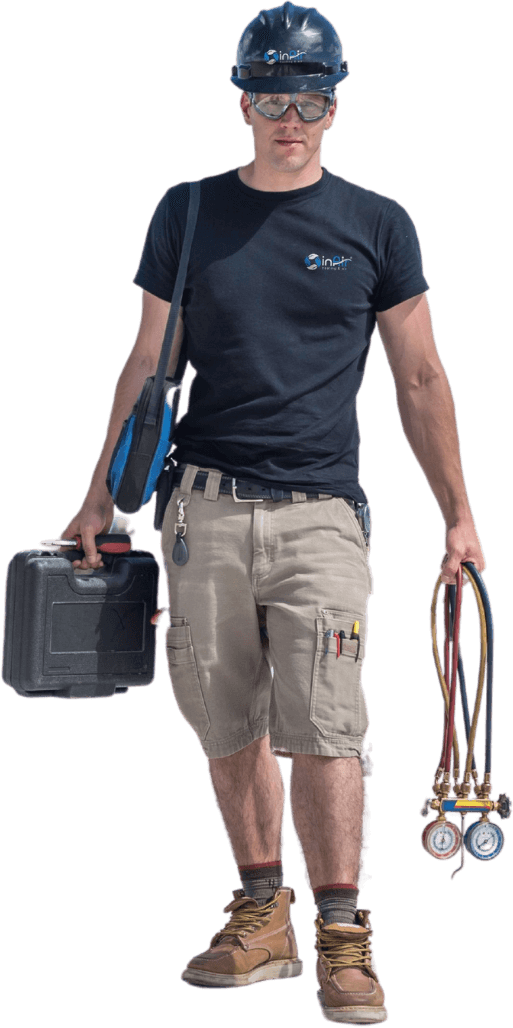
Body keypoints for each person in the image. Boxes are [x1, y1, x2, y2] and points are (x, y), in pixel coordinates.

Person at [60, 3, 486, 1023]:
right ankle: (262, 915)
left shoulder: (377, 223)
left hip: (324, 518)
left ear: (332, 107)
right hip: (201, 512)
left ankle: (346, 933)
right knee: (224, 718)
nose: (287, 117)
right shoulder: (189, 210)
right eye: (268, 95)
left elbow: (419, 377)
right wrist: (97, 498)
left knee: (328, 725)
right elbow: (144, 362)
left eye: (308, 98)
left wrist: (459, 517)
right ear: (242, 100)